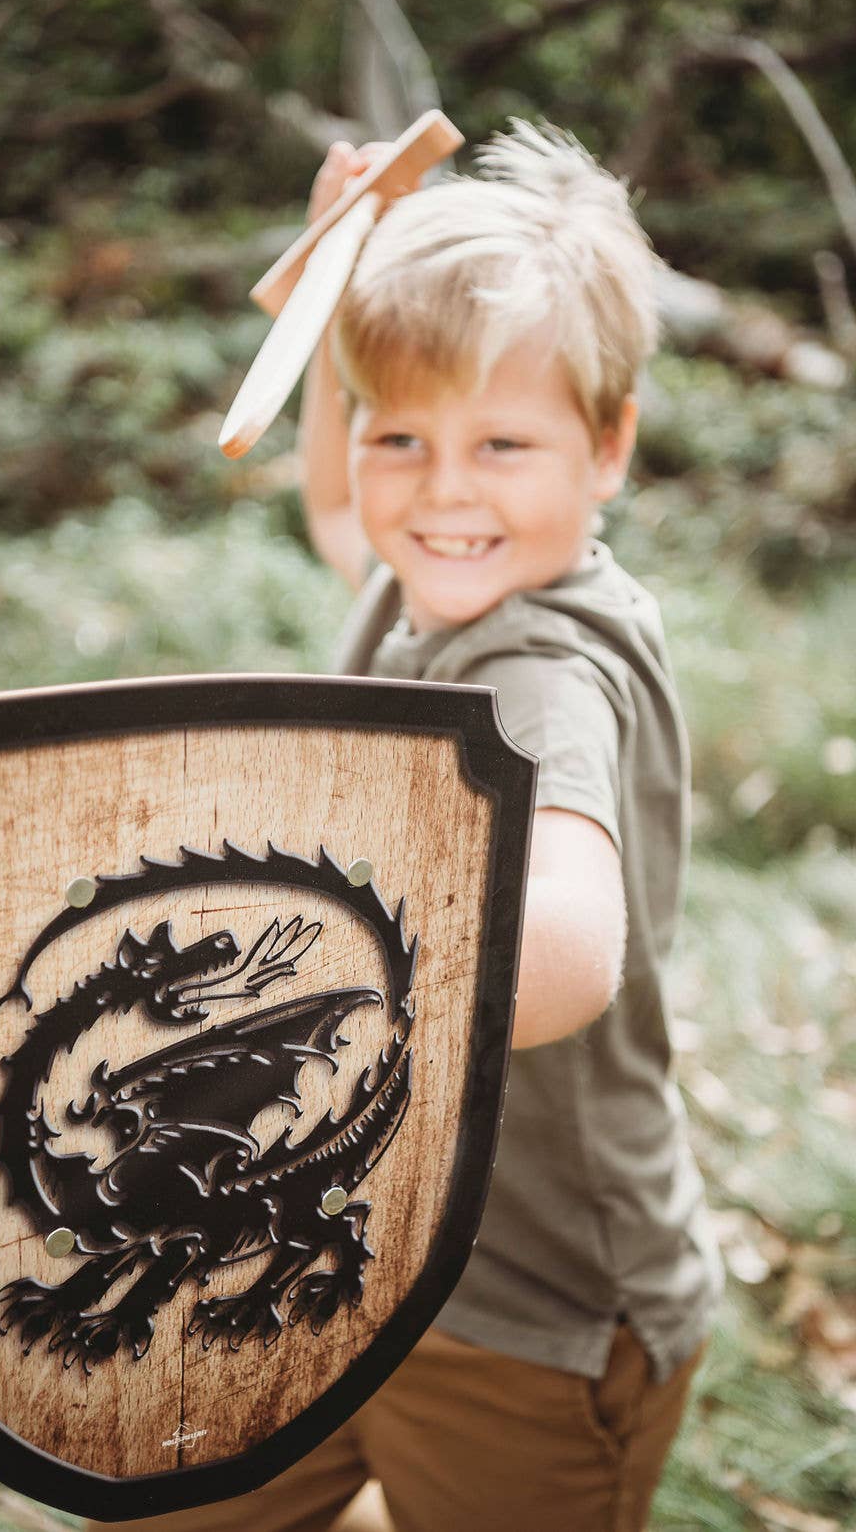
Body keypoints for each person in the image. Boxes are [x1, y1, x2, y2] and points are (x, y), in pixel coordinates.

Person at [88, 119, 723, 1532]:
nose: (440, 488)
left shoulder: (538, 670)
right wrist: (340, 301)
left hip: (535, 1312)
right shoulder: (429, 582)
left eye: (501, 442)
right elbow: (337, 505)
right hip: (356, 1247)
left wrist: (281, 989)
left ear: (608, 447)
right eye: (403, 438)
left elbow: (562, 957)